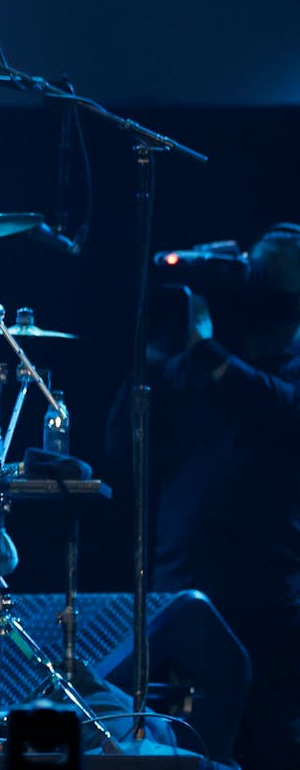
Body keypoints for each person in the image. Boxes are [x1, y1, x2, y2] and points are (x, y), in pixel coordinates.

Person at [109, 223, 300, 769]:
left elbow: (283, 410)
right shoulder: (205, 361)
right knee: (184, 749)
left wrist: (209, 351)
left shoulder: (268, 366)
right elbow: (121, 444)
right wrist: (149, 357)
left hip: (265, 597)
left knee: (272, 744)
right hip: (183, 591)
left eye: (266, 273)